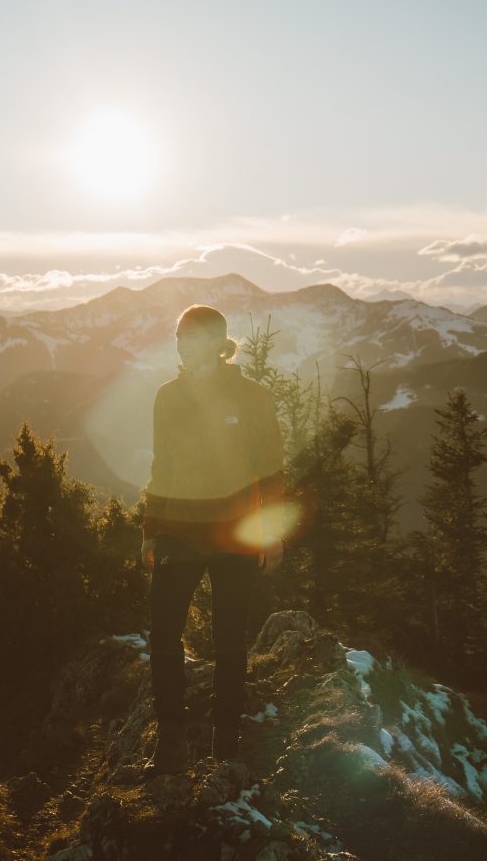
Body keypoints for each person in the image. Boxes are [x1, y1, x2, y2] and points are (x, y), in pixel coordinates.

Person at [140, 304, 285, 776]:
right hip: (177, 533)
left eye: (190, 335)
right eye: (178, 334)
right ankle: (172, 742)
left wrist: (271, 534)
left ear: (216, 343)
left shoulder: (252, 397)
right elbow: (162, 465)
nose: (180, 342)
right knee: (162, 638)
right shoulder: (167, 396)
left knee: (229, 641)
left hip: (235, 534)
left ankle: (226, 741)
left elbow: (271, 469)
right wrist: (150, 529)